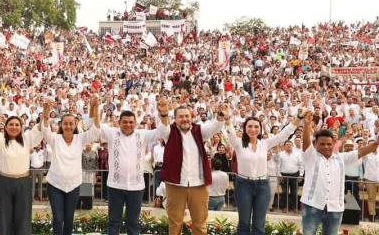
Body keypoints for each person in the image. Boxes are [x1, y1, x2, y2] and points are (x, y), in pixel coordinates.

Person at [300, 113, 379, 235]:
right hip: (312, 206)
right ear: (315, 145)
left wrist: (377, 143)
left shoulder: (341, 158)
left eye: (329, 144)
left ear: (333, 144)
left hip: (335, 208)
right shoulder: (311, 157)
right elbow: (306, 143)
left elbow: (361, 151)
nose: (326, 146)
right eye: (322, 144)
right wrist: (307, 125)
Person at [156, 100, 227, 235]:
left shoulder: (199, 130)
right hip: (175, 184)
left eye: (187, 116)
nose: (184, 119)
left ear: (192, 117)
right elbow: (163, 127)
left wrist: (221, 115)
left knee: (200, 224)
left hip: (198, 184)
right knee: (175, 223)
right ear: (175, 119)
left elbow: (215, 127)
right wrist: (164, 114)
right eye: (181, 116)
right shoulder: (169, 131)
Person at [223, 115, 298, 235]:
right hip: (243, 185)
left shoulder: (265, 143)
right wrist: (227, 119)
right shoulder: (238, 143)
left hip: (263, 186)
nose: (253, 129)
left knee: (259, 224)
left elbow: (283, 135)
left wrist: (297, 119)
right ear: (244, 128)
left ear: (260, 129)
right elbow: (230, 132)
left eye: (256, 126)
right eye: (250, 126)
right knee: (244, 223)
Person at [99, 104, 165, 235]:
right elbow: (96, 127)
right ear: (119, 123)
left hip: (136, 187)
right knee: (114, 222)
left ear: (135, 123)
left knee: (133, 223)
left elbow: (162, 132)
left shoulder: (143, 134)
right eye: (125, 122)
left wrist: (162, 114)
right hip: (115, 186)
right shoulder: (112, 133)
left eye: (131, 122)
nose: (128, 125)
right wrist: (94, 108)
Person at [41, 96, 100, 235]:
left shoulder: (81, 139)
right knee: (58, 217)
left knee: (69, 218)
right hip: (55, 184)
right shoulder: (55, 138)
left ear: (75, 125)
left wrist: (95, 108)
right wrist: (47, 111)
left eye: (71, 124)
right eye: (65, 123)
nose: (68, 126)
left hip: (73, 184)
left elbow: (96, 130)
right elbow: (44, 128)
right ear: (61, 125)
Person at [0, 106, 42, 235]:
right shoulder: (0, 141)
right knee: (3, 218)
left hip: (24, 182)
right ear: (6, 127)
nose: (14, 127)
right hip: (4, 182)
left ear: (21, 127)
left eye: (17, 125)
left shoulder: (27, 139)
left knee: (24, 218)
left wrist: (47, 111)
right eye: (11, 124)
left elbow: (41, 128)